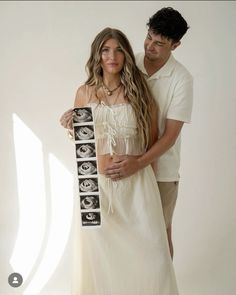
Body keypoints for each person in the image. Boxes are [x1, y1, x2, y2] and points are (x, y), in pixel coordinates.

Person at [60, 27, 179, 295]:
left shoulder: (140, 92)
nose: (112, 56)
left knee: (153, 257)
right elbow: (84, 149)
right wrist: (71, 126)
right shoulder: (84, 92)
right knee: (98, 260)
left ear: (126, 54)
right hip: (96, 188)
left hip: (137, 186)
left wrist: (153, 193)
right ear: (97, 55)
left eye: (118, 50)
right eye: (105, 49)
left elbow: (152, 142)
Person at [105, 7, 193, 259]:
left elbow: (170, 136)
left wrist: (140, 163)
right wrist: (75, 115)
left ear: (175, 45)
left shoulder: (181, 79)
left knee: (159, 236)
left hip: (162, 171)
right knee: (124, 237)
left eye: (160, 44)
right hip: (122, 165)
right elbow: (100, 95)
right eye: (149, 38)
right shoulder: (128, 62)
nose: (150, 47)